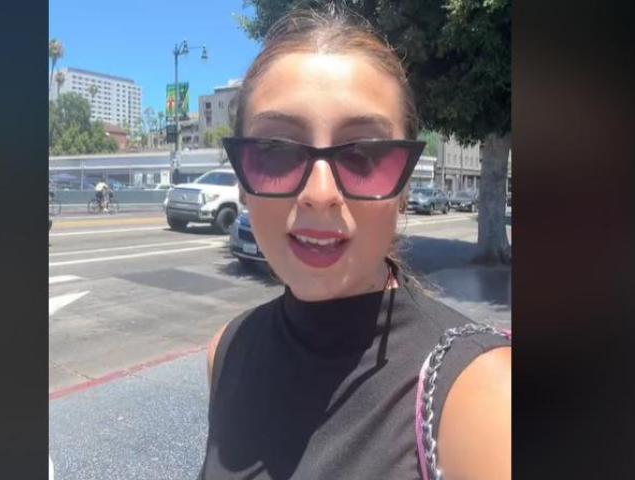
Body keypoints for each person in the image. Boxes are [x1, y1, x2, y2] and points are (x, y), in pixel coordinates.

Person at [200, 7, 510, 480]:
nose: (320, 193)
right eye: (276, 151)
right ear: (243, 181)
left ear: (403, 186)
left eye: (364, 155)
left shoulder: (482, 395)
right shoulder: (227, 352)